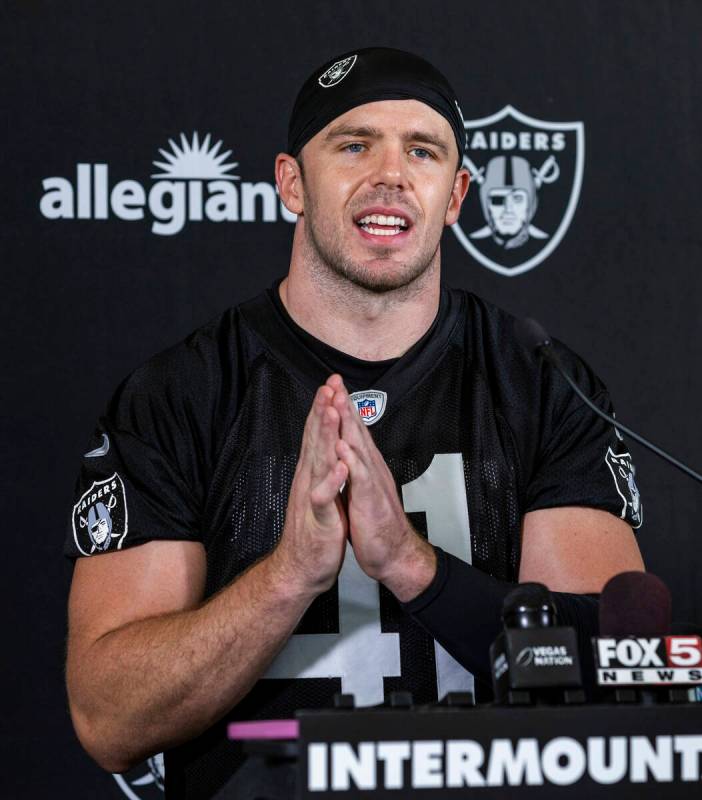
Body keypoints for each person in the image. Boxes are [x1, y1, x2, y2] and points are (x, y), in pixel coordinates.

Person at [65, 47, 645, 799]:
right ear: (290, 184)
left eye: (423, 150)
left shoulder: (542, 384)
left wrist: (410, 564)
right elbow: (109, 721)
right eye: (353, 144)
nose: (391, 174)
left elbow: (614, 681)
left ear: (457, 193)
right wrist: (290, 575)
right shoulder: (180, 394)